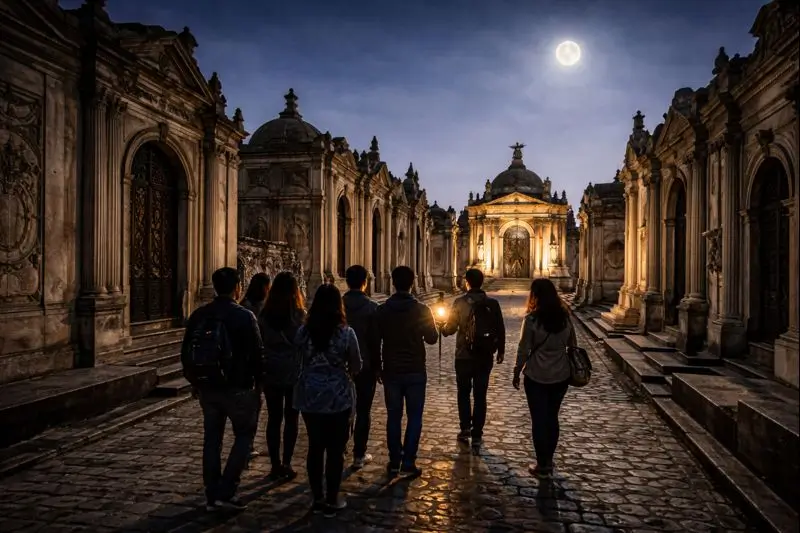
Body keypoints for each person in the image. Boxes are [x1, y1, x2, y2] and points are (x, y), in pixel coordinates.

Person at [180, 267, 264, 511]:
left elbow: (186, 353)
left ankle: (212, 493)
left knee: (212, 440)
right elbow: (258, 354)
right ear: (237, 288)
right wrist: (259, 386)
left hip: (208, 387)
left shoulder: (199, 314)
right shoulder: (245, 316)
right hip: (239, 387)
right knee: (244, 436)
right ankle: (226, 491)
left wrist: (195, 382)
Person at [294, 284, 362, 518]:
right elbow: (357, 365)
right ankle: (332, 498)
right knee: (335, 450)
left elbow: (296, 359)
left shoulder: (303, 332)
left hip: (310, 395)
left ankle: (317, 498)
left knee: (315, 447)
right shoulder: (346, 333)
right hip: (338, 396)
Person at [375, 266, 438, 477]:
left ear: (393, 283)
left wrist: (378, 367)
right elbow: (432, 338)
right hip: (415, 370)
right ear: (412, 283)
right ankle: (409, 461)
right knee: (414, 417)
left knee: (393, 416)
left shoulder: (382, 310)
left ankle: (394, 460)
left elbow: (375, 340)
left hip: (391, 370)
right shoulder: (422, 310)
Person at [512, 278, 576, 478]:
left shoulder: (532, 320)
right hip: (561, 375)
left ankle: (542, 464)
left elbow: (524, 349)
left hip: (536, 376)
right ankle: (549, 459)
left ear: (535, 296)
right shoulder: (565, 318)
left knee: (539, 420)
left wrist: (517, 370)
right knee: (552, 417)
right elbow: (573, 345)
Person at [441, 268, 505, 450]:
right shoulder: (492, 304)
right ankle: (477, 434)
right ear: (482, 282)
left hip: (464, 355)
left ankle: (465, 428)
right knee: (480, 395)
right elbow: (500, 328)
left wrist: (443, 329)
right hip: (485, 355)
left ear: (467, 282)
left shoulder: (460, 302)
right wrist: (501, 350)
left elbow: (450, 328)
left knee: (463, 393)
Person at [258, 271, 306, 480]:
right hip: (294, 372)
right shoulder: (300, 316)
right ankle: (287, 462)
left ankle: (275, 464)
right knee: (291, 419)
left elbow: (259, 344)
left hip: (271, 371)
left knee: (274, 418)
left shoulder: (264, 316)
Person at [342, 265, 381, 470]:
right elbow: (375, 341)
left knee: (343, 409)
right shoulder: (373, 307)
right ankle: (359, 453)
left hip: (341, 366)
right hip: (365, 366)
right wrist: (378, 366)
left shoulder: (338, 305)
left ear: (347, 281)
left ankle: (340, 448)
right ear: (365, 282)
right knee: (364, 410)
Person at [240, 272, 271, 460]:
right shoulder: (260, 309)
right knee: (253, 406)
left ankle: (247, 443)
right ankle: (247, 445)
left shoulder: (244, 305)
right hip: (255, 364)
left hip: (245, 364)